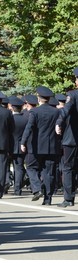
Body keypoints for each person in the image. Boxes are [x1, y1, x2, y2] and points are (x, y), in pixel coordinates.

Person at [21, 86, 59, 205]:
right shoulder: (56, 112)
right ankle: (48, 199)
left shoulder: (34, 111)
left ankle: (37, 189)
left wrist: (23, 142)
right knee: (49, 172)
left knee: (31, 167)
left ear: (39, 98)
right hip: (52, 146)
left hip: (37, 146)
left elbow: (29, 128)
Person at [55, 68, 78, 207]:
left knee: (68, 168)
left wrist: (59, 123)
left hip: (72, 139)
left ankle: (68, 199)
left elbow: (65, 110)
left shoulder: (73, 94)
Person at [0, 89, 14, 198]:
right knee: (2, 166)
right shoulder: (7, 112)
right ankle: (0, 191)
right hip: (3, 143)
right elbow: (11, 129)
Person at [8, 96, 27, 195]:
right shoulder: (25, 119)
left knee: (7, 166)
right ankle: (17, 189)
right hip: (21, 146)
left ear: (12, 107)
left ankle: (7, 186)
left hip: (10, 146)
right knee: (19, 168)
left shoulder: (10, 119)